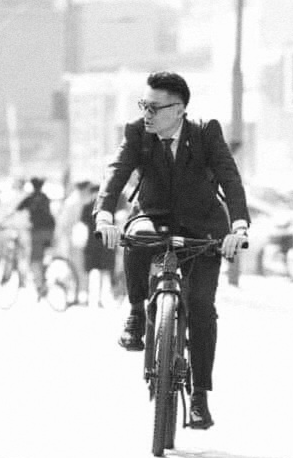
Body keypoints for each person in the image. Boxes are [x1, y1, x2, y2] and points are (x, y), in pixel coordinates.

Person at [94, 71, 250, 430]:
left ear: (178, 110)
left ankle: (199, 397)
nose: (147, 114)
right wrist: (104, 214)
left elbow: (230, 178)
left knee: (202, 308)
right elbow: (116, 172)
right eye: (144, 105)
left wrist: (239, 226)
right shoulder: (137, 133)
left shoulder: (206, 133)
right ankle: (136, 312)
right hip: (153, 216)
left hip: (203, 225)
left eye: (155, 107)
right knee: (135, 238)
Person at [16, 176, 56, 298]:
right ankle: (44, 276)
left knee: (35, 260)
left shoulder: (30, 199)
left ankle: (39, 285)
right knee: (45, 256)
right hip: (50, 229)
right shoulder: (45, 197)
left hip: (37, 231)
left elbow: (17, 210)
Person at [81, 183, 116, 306]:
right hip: (101, 243)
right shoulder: (106, 209)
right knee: (99, 271)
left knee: (91, 271)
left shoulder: (87, 207)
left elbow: (83, 221)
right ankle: (96, 298)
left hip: (93, 243)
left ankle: (91, 297)